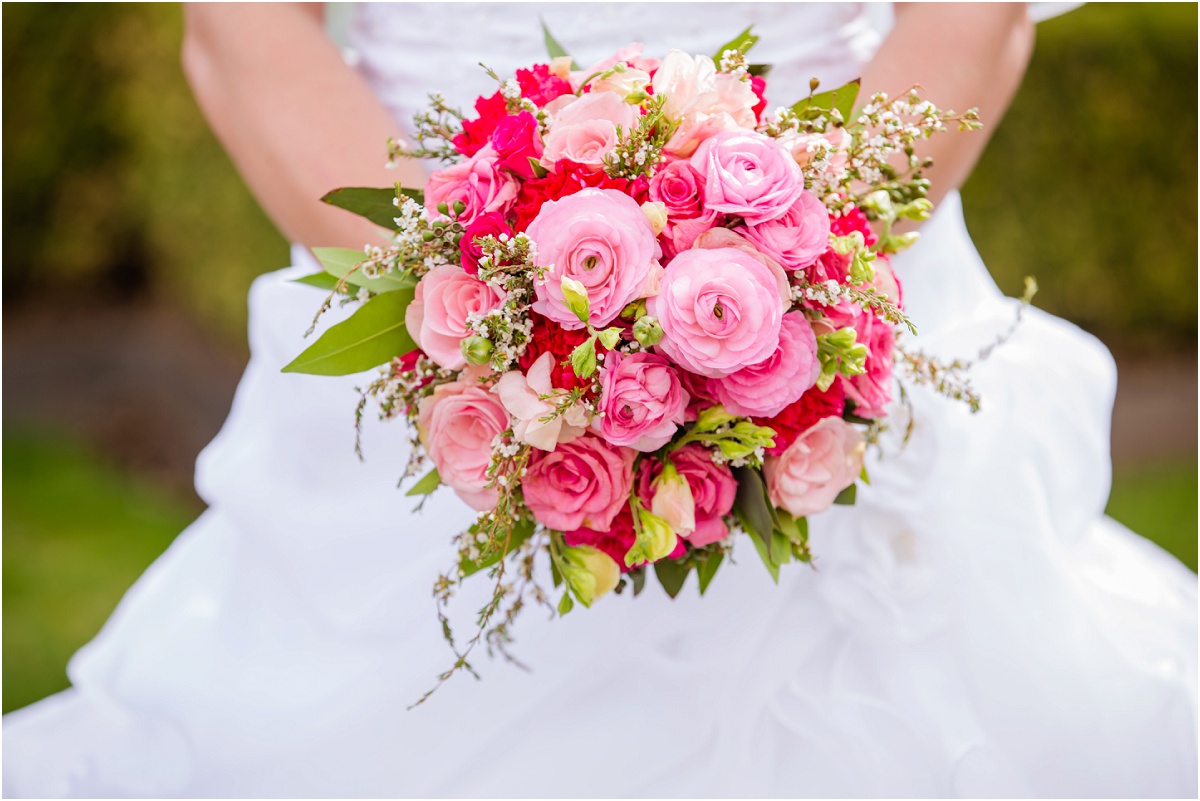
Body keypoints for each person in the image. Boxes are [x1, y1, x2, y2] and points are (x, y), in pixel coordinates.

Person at [4, 4, 1195, 797]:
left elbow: (972, 17)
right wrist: (467, 298)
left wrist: (792, 277)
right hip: (439, 296)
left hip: (847, 275)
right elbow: (242, 24)